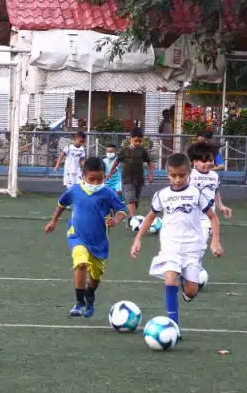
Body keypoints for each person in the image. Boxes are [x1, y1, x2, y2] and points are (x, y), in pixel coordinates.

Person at [131, 153, 223, 329]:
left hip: (192, 246)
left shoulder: (196, 194)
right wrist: (137, 239)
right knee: (170, 279)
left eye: (182, 175)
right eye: (173, 176)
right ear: (168, 175)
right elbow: (150, 218)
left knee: (191, 291)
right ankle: (174, 325)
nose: (178, 179)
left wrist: (215, 241)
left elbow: (213, 217)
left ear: (189, 174)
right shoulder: (162, 195)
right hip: (170, 244)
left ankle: (186, 286)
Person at [45, 156, 129, 318]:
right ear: (83, 176)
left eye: (100, 179)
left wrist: (116, 220)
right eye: (92, 179)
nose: (96, 183)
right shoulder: (75, 190)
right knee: (81, 263)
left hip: (98, 241)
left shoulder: (107, 193)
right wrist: (53, 221)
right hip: (77, 235)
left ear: (105, 176)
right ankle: (79, 302)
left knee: (95, 277)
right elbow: (62, 204)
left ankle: (89, 294)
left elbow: (121, 210)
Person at [188, 142, 232, 255]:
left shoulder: (214, 176)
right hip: (189, 217)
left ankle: (195, 264)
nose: (208, 163)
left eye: (210, 160)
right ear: (194, 162)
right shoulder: (189, 175)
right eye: (204, 161)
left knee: (199, 246)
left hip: (206, 218)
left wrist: (220, 206)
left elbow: (215, 191)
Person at [107, 129, 153, 219]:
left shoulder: (143, 151)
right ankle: (133, 218)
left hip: (139, 179)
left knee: (135, 201)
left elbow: (149, 162)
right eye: (136, 140)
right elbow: (117, 161)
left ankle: (128, 216)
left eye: (140, 141)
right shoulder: (125, 150)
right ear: (130, 139)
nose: (138, 143)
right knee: (130, 198)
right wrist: (110, 172)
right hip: (127, 179)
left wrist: (151, 174)